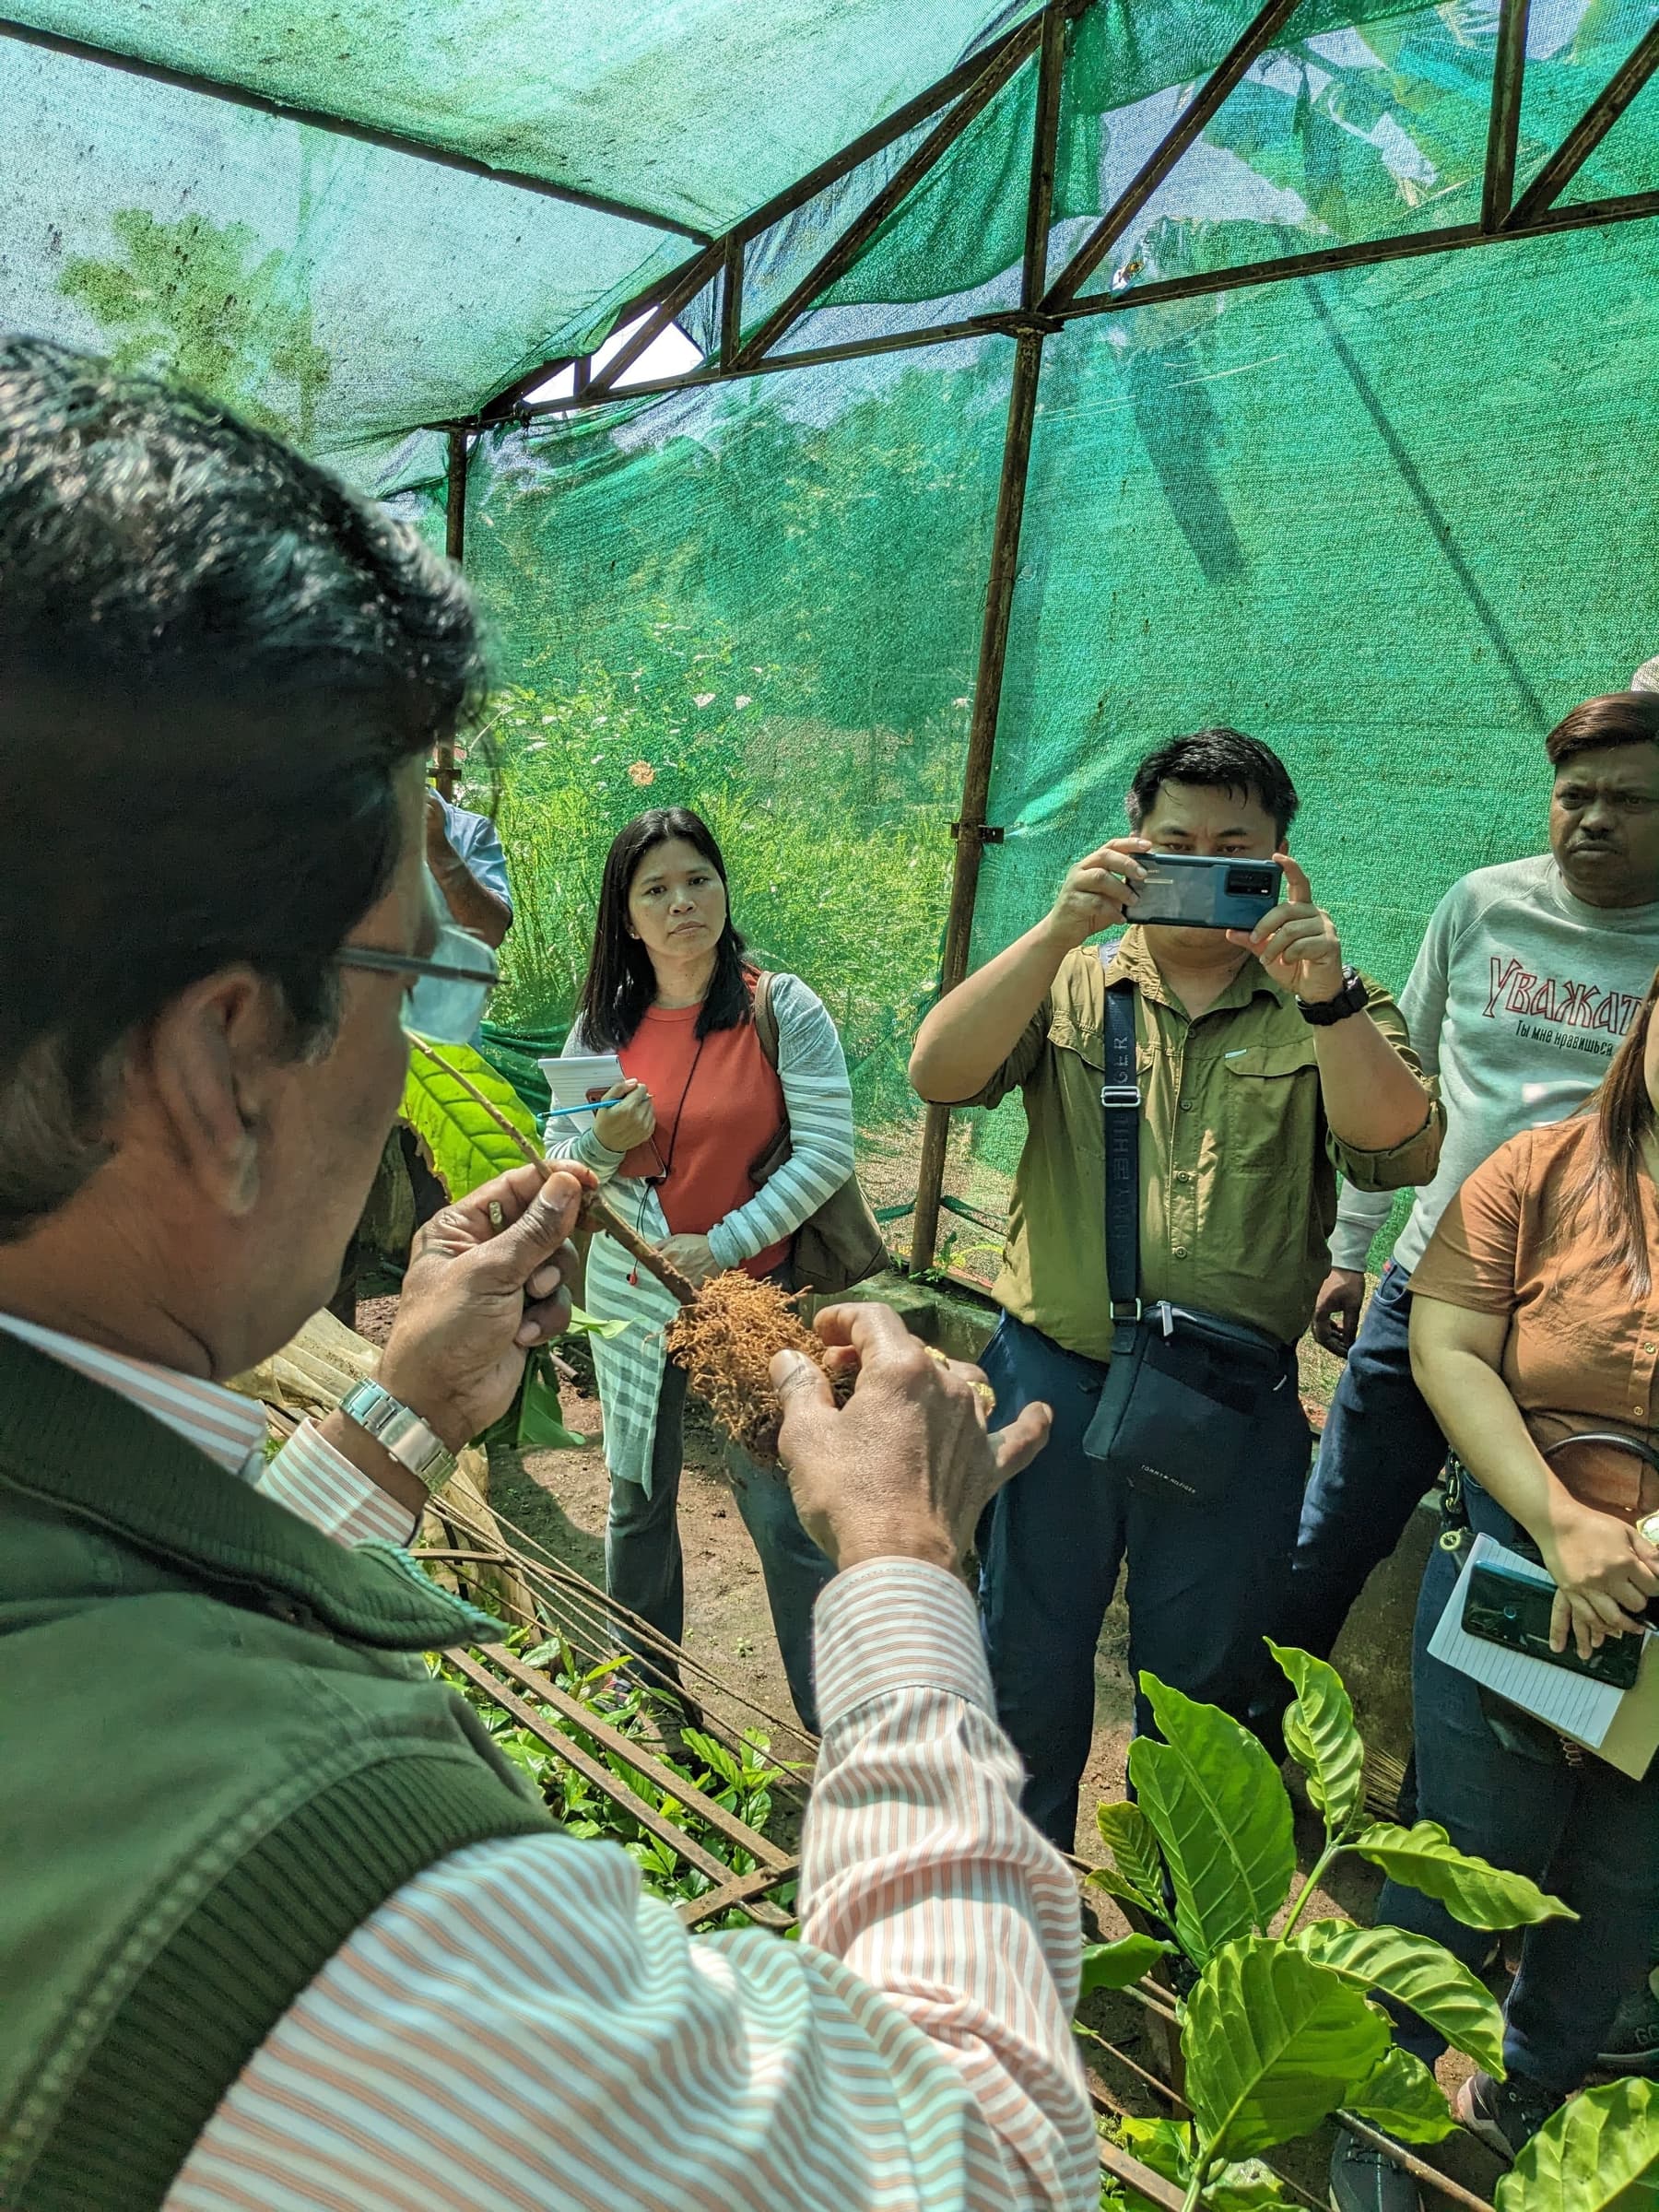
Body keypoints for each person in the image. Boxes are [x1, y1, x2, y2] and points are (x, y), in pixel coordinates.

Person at [0, 336, 1098, 2212]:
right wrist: (910, 1576)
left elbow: (817, 1145)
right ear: (217, 1067)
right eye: (407, 975)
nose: (416, 1057)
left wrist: (402, 1414)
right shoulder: (362, 1921)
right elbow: (982, 2163)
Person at [909, 728, 1441, 1849]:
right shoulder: (1067, 975)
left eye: (1233, 848)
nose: (1200, 867)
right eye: (1173, 844)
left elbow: (1401, 1148)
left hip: (1227, 1396)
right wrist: (1059, 923)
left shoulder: (1332, 999)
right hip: (1050, 1378)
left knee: (1200, 1682)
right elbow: (938, 1074)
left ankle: (1170, 1894)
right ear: (1130, 845)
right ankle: (1021, 1876)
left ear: (1283, 861)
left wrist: (1329, 998)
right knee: (1026, 1648)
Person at [1330, 971, 1659, 2212]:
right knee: (1469, 1856)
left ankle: (1525, 2103)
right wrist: (1566, 1526)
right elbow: (1450, 1343)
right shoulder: (1533, 1171)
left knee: (1625, 1889)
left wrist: (1638, 1555)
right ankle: (1380, 2109)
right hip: (1511, 1583)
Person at [1288, 695, 1659, 1674]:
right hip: (1429, 1290)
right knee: (1330, 1536)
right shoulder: (1482, 903)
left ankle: (1441, 1811)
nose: (1594, 819)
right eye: (1574, 794)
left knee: (1539, 1570)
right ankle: (1250, 1741)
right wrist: (1351, 1251)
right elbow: (1397, 1089)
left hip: (1591, 1327)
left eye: (1631, 800)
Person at [547, 808, 853, 1733]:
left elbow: (829, 1151)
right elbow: (560, 1162)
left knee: (783, 1514)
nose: (683, 903)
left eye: (698, 880)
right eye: (656, 891)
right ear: (626, 918)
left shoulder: (778, 1006)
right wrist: (603, 1139)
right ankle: (650, 1702)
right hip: (633, 1296)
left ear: (723, 890)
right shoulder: (604, 1023)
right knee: (637, 1501)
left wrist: (719, 1244)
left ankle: (838, 1726)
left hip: (745, 1302)